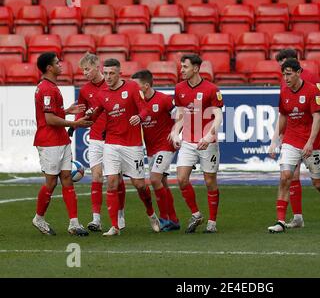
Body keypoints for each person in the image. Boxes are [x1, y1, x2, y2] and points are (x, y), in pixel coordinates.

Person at [269, 49, 320, 229]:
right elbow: (283, 115)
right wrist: (275, 139)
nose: (285, 75)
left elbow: (317, 112)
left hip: (313, 139)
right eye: (282, 69)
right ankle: (288, 219)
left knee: (319, 182)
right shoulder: (285, 86)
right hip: (291, 138)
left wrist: (310, 141)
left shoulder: (312, 83)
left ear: (297, 67)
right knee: (287, 175)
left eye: (287, 68)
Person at [88, 58, 160, 236]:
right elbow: (95, 114)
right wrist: (85, 116)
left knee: (139, 185)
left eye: (112, 73)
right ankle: (115, 226)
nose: (108, 77)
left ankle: (151, 214)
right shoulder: (101, 93)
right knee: (111, 182)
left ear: (120, 73)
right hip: (111, 143)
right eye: (105, 73)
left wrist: (140, 117)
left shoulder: (132, 88)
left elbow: (145, 109)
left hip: (132, 145)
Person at [32, 52, 92, 236]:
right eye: (57, 63)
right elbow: (49, 119)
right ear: (49, 68)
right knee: (51, 182)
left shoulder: (50, 86)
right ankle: (39, 219)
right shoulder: (47, 89)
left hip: (60, 139)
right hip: (49, 141)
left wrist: (66, 111)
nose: (61, 65)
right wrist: (75, 123)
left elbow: (52, 114)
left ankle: (74, 223)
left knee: (66, 178)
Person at [170, 54, 223, 234]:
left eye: (185, 67)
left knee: (210, 181)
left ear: (196, 68)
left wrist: (208, 136)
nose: (181, 70)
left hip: (208, 143)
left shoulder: (211, 89)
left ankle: (212, 221)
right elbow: (180, 114)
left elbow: (218, 117)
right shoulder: (179, 88)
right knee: (181, 179)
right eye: (181, 66)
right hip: (188, 142)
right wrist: (174, 132)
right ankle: (196, 214)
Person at [74, 53, 127, 232]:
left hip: (114, 137)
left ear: (97, 66)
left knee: (116, 178)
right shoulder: (84, 90)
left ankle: (120, 213)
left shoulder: (113, 84)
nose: (85, 73)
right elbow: (81, 113)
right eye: (83, 70)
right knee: (96, 176)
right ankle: (96, 218)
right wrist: (73, 126)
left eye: (87, 69)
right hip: (96, 137)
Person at [131, 70, 180, 232]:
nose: (132, 89)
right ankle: (173, 219)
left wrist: (175, 133)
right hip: (151, 149)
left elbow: (180, 116)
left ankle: (165, 218)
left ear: (146, 86)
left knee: (154, 179)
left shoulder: (164, 99)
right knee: (162, 182)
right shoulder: (136, 103)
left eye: (135, 86)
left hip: (165, 146)